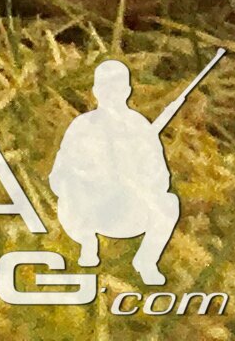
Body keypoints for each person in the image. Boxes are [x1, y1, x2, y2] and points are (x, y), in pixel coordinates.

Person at [50, 58, 184, 285]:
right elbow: (58, 175)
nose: (111, 93)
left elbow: (161, 175)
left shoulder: (140, 126)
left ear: (127, 90)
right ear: (95, 91)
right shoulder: (82, 127)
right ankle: (87, 244)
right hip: (90, 210)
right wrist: (88, 178)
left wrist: (140, 179)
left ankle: (147, 261)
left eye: (117, 87)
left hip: (130, 210)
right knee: (72, 188)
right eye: (105, 87)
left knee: (169, 203)